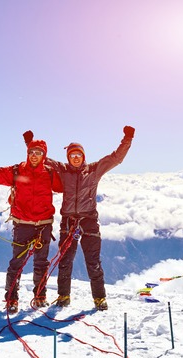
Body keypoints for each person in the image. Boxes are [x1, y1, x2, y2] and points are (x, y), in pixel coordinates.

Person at [0, 131, 63, 314]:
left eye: (38, 153)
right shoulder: (17, 171)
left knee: (41, 263)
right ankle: (11, 299)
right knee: (17, 263)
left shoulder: (50, 174)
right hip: (23, 223)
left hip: (43, 224)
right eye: (32, 152)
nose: (34, 156)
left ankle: (40, 296)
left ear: (44, 155)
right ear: (28, 153)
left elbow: (68, 186)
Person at [42, 125, 135, 311]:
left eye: (78, 155)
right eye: (72, 156)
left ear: (83, 156)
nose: (75, 159)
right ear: (68, 158)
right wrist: (30, 143)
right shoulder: (62, 169)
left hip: (89, 221)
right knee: (65, 261)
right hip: (69, 221)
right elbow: (42, 158)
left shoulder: (94, 170)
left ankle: (99, 298)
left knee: (93, 261)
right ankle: (63, 296)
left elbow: (116, 158)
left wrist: (127, 139)